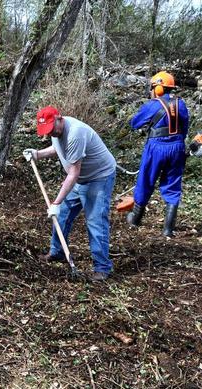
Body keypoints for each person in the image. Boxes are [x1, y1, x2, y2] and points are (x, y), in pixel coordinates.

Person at [23, 106, 116, 281]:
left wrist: (56, 203)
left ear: (59, 118)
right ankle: (57, 252)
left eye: (51, 129)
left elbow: (73, 173)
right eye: (46, 131)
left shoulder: (75, 133)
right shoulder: (57, 133)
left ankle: (102, 268)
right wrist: (38, 154)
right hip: (79, 179)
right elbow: (57, 148)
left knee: (95, 221)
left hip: (98, 177)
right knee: (63, 215)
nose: (50, 133)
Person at [127, 71, 189, 237]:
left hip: (156, 147)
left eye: (152, 88)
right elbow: (185, 128)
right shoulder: (181, 104)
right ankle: (168, 230)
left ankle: (135, 219)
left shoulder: (152, 105)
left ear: (159, 88)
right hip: (177, 147)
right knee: (173, 185)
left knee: (145, 181)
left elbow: (134, 123)